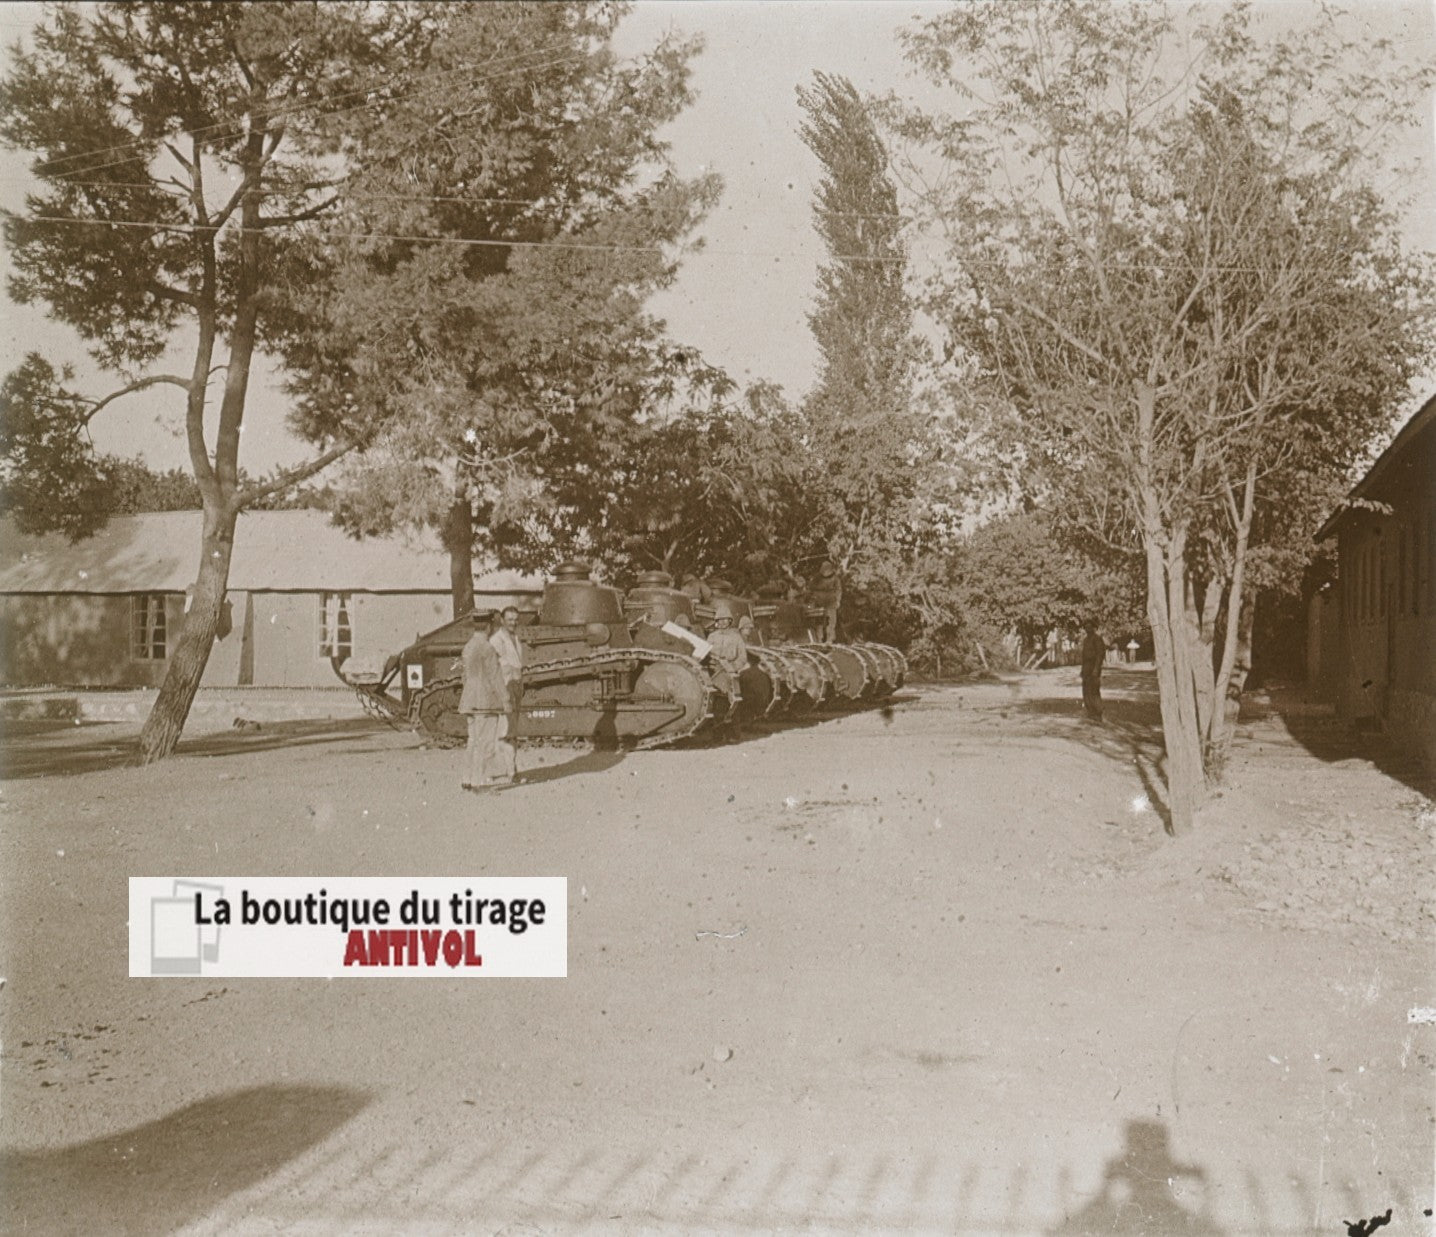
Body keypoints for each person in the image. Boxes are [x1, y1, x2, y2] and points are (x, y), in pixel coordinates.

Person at [459, 610, 514, 790]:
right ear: (489, 626)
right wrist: (506, 700)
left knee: (472, 741)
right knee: (486, 744)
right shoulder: (488, 648)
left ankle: (467, 778)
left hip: (469, 699)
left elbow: (464, 676)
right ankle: (480, 782)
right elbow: (495, 676)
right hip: (486, 701)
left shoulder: (468, 646)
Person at [489, 605, 524, 727]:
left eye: (515, 620)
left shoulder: (515, 638)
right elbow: (495, 664)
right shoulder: (496, 640)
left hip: (516, 685)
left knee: (513, 722)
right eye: (510, 620)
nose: (513, 623)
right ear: (502, 621)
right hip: (504, 685)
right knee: (505, 725)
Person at [808, 559, 842, 642]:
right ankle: (819, 639)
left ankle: (829, 639)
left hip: (831, 601)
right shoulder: (817, 578)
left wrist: (838, 600)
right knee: (819, 621)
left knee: (831, 621)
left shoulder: (835, 578)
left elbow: (838, 590)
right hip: (819, 601)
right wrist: (812, 601)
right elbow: (811, 589)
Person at [1081, 619, 1107, 721]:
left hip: (1094, 666)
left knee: (1094, 690)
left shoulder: (1097, 639)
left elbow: (1100, 655)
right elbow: (1084, 656)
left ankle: (1098, 712)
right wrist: (1082, 670)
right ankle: (1091, 712)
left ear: (1093, 628)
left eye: (1089, 627)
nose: (1087, 629)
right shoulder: (1086, 640)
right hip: (1086, 667)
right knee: (1086, 690)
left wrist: (1096, 669)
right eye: (1086, 627)